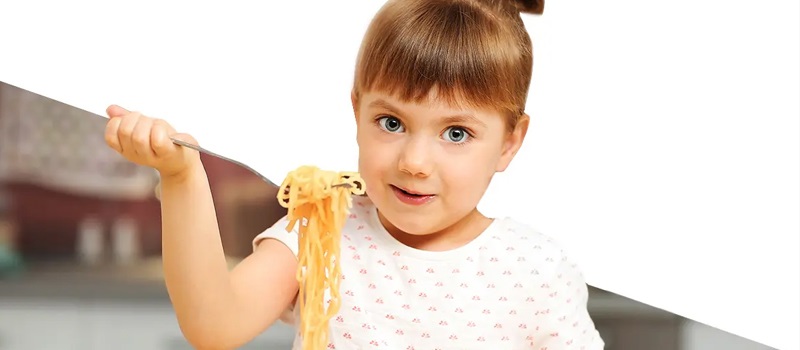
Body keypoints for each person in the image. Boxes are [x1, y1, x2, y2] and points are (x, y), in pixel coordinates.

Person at [104, 0, 605, 348]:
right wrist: (181, 178)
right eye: (391, 123)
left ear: (510, 142)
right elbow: (214, 324)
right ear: (357, 111)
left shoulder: (537, 269)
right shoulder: (321, 233)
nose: (414, 161)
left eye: (456, 134)